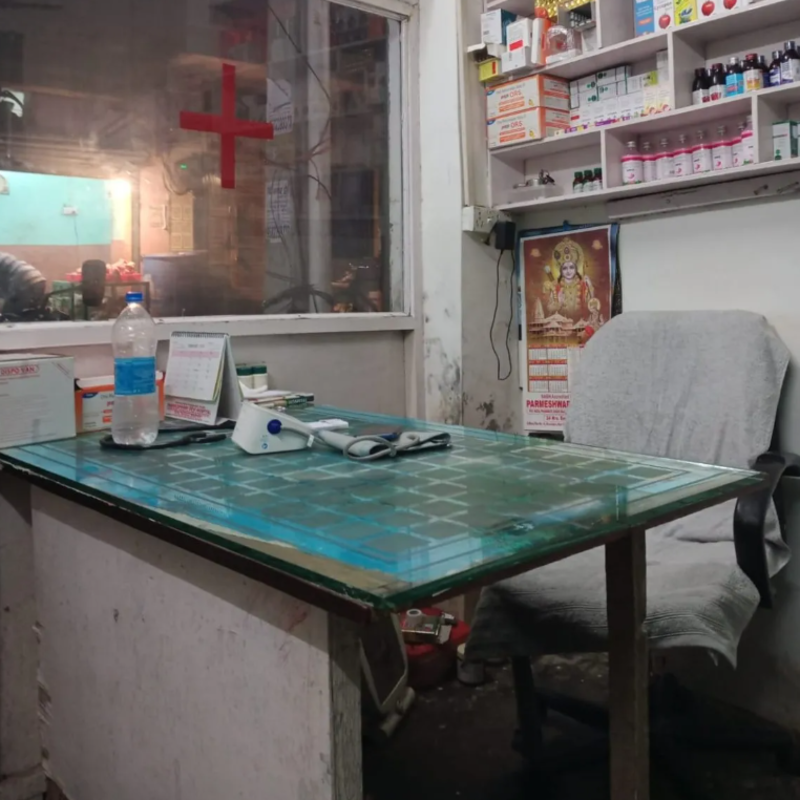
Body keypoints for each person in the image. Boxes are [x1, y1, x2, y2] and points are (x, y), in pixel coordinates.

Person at [544, 238, 594, 322]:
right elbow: (549, 309)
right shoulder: (556, 286)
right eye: (564, 268)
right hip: (562, 324)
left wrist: (589, 286)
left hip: (581, 322)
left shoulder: (582, 284)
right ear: (561, 270)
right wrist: (558, 302)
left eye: (571, 267)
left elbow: (591, 304)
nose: (568, 271)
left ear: (576, 269)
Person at [0, 253, 46, 317]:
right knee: (32, 313)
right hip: (38, 278)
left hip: (23, 279)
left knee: (8, 316)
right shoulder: (4, 256)